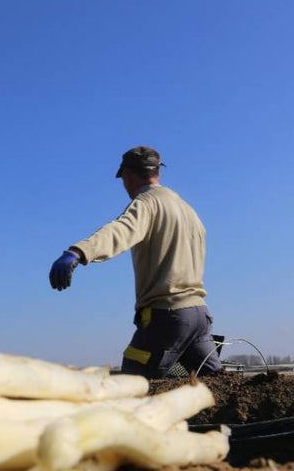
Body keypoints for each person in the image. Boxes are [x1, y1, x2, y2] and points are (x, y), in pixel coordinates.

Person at [48, 145, 222, 378]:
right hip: (199, 315)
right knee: (218, 387)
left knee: (132, 383)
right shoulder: (187, 210)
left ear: (128, 176)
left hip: (166, 316)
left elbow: (120, 230)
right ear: (157, 172)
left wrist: (78, 252)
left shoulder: (147, 203)